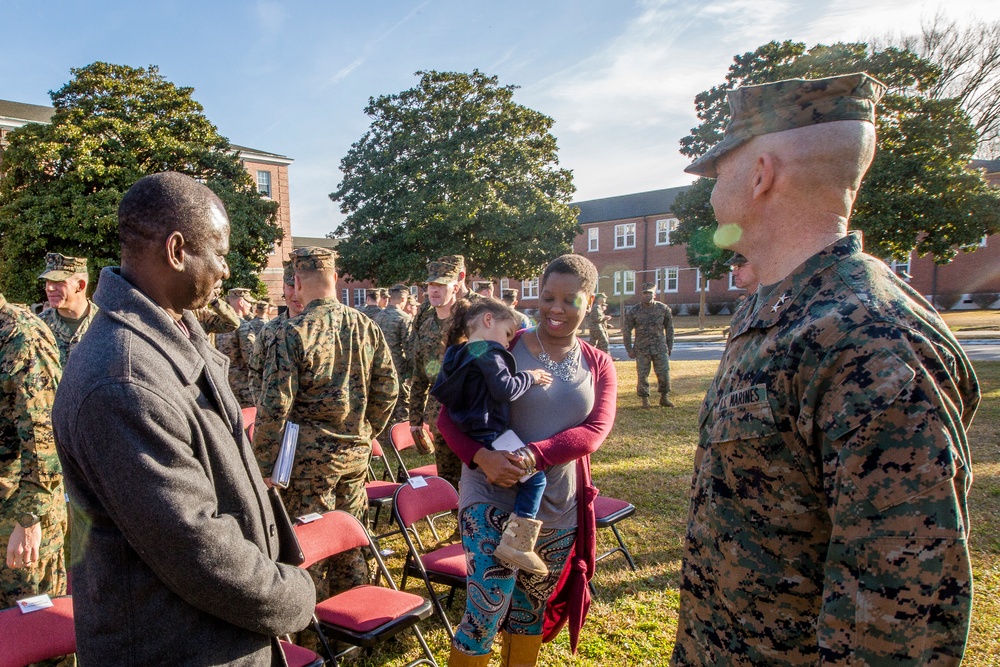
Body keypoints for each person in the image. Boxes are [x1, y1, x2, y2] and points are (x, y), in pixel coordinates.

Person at [671, 73, 980, 665]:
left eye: (720, 165)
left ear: (762, 173)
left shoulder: (868, 337)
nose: (711, 182)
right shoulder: (779, 307)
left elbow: (900, 611)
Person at [52, 171, 315, 665]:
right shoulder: (124, 378)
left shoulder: (171, 336)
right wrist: (293, 593)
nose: (225, 269)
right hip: (173, 644)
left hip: (213, 632)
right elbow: (194, 546)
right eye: (218, 250)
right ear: (176, 251)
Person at [437, 254, 617, 667]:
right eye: (548, 296)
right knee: (485, 610)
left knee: (527, 612)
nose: (555, 308)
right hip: (492, 493)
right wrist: (482, 457)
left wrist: (534, 454)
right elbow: (448, 416)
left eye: (570, 300)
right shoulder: (505, 343)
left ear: (589, 302)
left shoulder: (598, 362)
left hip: (556, 506)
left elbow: (595, 431)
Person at [252, 246, 397, 598]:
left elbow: (275, 406)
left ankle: (313, 640)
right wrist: (363, 433)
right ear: (334, 278)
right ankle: (356, 627)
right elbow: (389, 389)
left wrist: (262, 466)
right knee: (352, 539)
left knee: (310, 548)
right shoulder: (366, 325)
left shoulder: (293, 331)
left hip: (305, 465)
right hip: (355, 456)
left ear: (297, 282)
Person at [431, 299, 552, 575]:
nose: (508, 343)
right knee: (536, 479)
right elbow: (505, 389)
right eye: (508, 333)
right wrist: (530, 377)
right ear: (488, 320)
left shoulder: (456, 353)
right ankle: (518, 543)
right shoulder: (490, 352)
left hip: (469, 431)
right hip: (491, 432)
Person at [0, 295, 67, 610]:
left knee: (38, 627)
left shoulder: (21, 337)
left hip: (18, 518)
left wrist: (28, 520)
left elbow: (45, 439)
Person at [409, 255, 480, 489]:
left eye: (440, 285)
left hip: (470, 413)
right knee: (448, 478)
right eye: (431, 285)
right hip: (439, 414)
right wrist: (415, 418)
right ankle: (456, 517)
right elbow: (419, 375)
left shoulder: (470, 322)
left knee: (474, 476)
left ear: (456, 287)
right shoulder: (426, 324)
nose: (434, 290)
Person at [248, 261, 304, 404]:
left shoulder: (327, 328)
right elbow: (255, 374)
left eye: (302, 286)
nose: (297, 293)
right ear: (283, 288)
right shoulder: (269, 330)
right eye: (291, 287)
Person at [37, 252, 98, 365]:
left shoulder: (104, 323)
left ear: (80, 285)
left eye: (58, 282)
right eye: (47, 282)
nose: (49, 288)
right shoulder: (38, 327)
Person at [623, 282, 675, 408]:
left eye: (650, 293)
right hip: (642, 349)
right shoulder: (634, 311)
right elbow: (626, 330)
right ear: (641, 295)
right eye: (645, 293)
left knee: (664, 373)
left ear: (654, 295)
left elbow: (669, 329)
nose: (647, 296)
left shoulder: (663, 309)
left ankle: (664, 397)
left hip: (660, 347)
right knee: (642, 375)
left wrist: (670, 346)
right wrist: (629, 348)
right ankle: (645, 400)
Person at [374, 283, 414, 424]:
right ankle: (401, 429)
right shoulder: (404, 318)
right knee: (402, 398)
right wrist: (412, 370)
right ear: (404, 299)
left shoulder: (378, 316)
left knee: (383, 396)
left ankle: (385, 429)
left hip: (379, 364)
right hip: (398, 366)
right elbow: (410, 348)